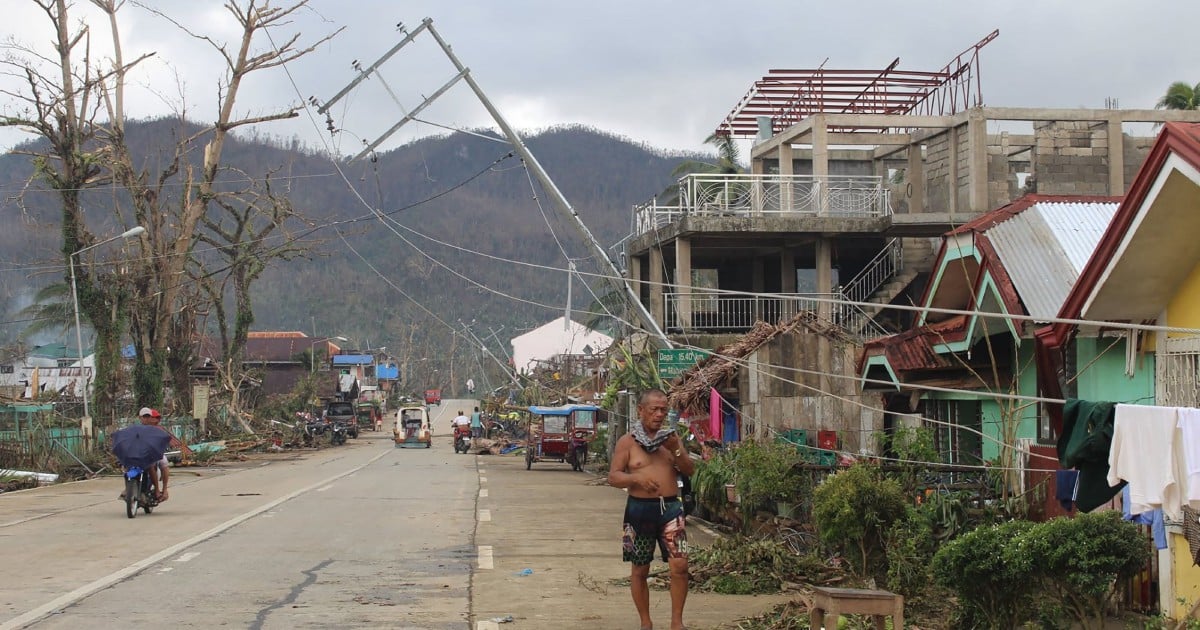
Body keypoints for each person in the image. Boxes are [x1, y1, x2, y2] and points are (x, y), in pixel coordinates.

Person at [608, 389, 695, 630]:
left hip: (671, 509)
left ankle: (676, 621)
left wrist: (676, 448)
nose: (659, 414)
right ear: (641, 411)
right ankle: (646, 622)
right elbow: (613, 477)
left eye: (663, 410)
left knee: (680, 565)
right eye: (654, 410)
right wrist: (636, 480)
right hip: (638, 511)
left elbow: (689, 470)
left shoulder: (671, 439)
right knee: (640, 568)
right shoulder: (627, 442)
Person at [138, 407, 174, 502]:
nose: (155, 420)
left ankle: (162, 490)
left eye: (149, 417)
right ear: (140, 418)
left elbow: (164, 441)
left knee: (162, 464)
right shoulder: (136, 429)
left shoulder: (158, 430)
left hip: (154, 453)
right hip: (139, 453)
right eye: (144, 417)